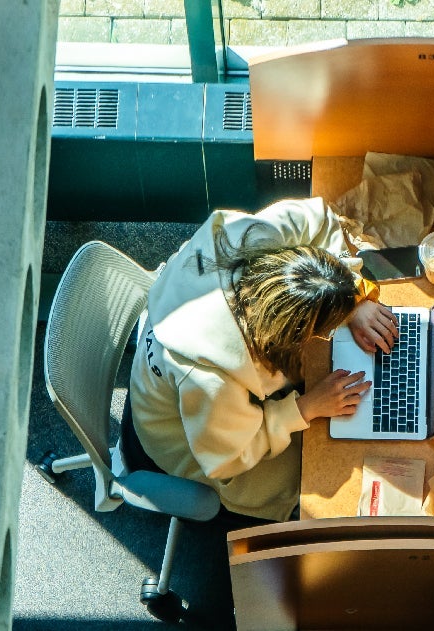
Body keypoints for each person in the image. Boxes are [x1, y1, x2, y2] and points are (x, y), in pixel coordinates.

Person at [127, 197, 398, 522]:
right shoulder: (210, 381)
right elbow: (231, 457)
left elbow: (318, 218)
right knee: (323, 474)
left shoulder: (245, 239)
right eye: (323, 331)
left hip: (191, 384)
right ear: (292, 339)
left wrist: (354, 296)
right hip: (191, 439)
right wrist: (306, 407)